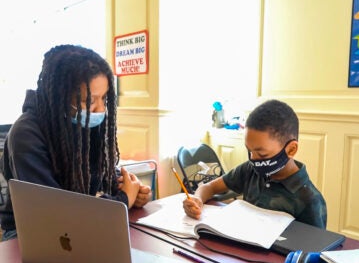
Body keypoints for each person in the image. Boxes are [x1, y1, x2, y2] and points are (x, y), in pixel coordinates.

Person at [0, 45, 152, 241]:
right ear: (60, 96)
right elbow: (54, 215)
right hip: (29, 234)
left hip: (81, 224)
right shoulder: (26, 134)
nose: (99, 109)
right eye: (89, 101)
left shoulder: (83, 122)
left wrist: (127, 187)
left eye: (104, 98)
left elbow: (96, 174)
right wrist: (123, 200)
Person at [183, 99, 327, 229]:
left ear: (291, 149)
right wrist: (197, 199)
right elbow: (210, 187)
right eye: (249, 151)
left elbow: (312, 253)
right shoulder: (249, 170)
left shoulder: (310, 200)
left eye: (262, 154)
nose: (253, 158)